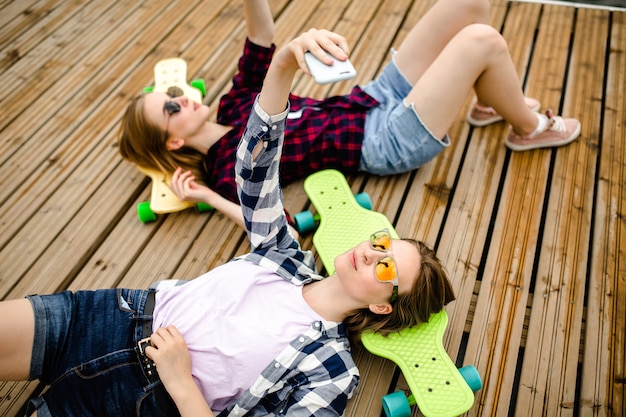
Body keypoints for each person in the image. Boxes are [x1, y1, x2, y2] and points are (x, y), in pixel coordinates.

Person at [0, 27, 456, 416]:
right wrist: (283, 64)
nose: (372, 252)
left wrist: (181, 383)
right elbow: (255, 173)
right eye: (381, 243)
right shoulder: (285, 255)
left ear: (382, 306)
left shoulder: (332, 373)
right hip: (110, 316)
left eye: (385, 266)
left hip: (140, 401)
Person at [118, 0, 581, 230]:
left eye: (173, 94)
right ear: (173, 142)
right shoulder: (227, 170)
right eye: (171, 108)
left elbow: (261, 35)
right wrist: (203, 194)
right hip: (384, 142)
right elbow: (262, 220)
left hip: (369, 98)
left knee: (470, 5)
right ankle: (527, 127)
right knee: (482, 41)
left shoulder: (233, 102)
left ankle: (487, 98)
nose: (182, 99)